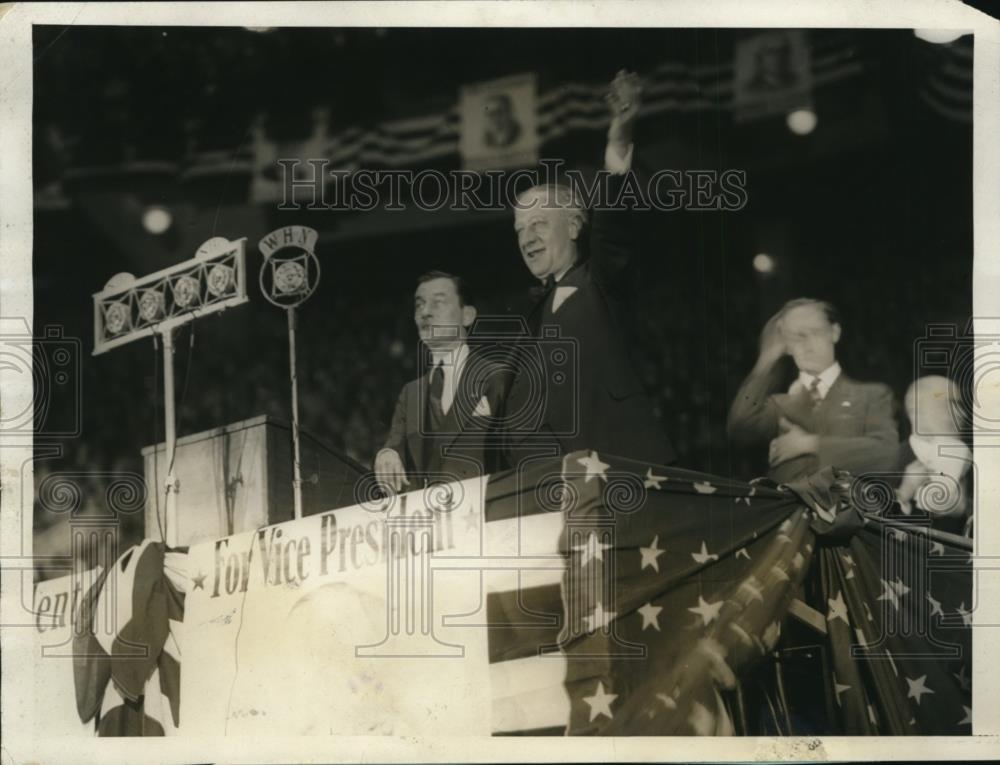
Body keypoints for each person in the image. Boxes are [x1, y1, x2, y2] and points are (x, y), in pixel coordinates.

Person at [500, 70, 676, 468]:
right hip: (550, 486)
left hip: (620, 470)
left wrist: (619, 133)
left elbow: (613, 221)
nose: (527, 238)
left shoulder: (602, 279)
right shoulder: (527, 316)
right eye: (520, 230)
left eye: (540, 223)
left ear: (576, 225)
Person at [727, 298, 900, 483]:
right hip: (789, 509)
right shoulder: (780, 404)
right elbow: (740, 427)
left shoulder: (871, 395)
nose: (807, 345)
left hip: (848, 508)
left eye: (815, 332)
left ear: (835, 332)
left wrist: (810, 444)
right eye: (796, 336)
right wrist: (767, 360)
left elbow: (886, 455)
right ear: (786, 346)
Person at [374, 271, 509, 492]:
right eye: (419, 305)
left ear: (467, 316)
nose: (425, 312)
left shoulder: (498, 377)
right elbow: (395, 445)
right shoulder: (410, 393)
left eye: (438, 302)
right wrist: (387, 454)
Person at [895, 375, 972, 535]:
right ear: (918, 411)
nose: (962, 414)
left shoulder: (977, 467)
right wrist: (903, 496)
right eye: (951, 404)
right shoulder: (887, 463)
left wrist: (968, 508)